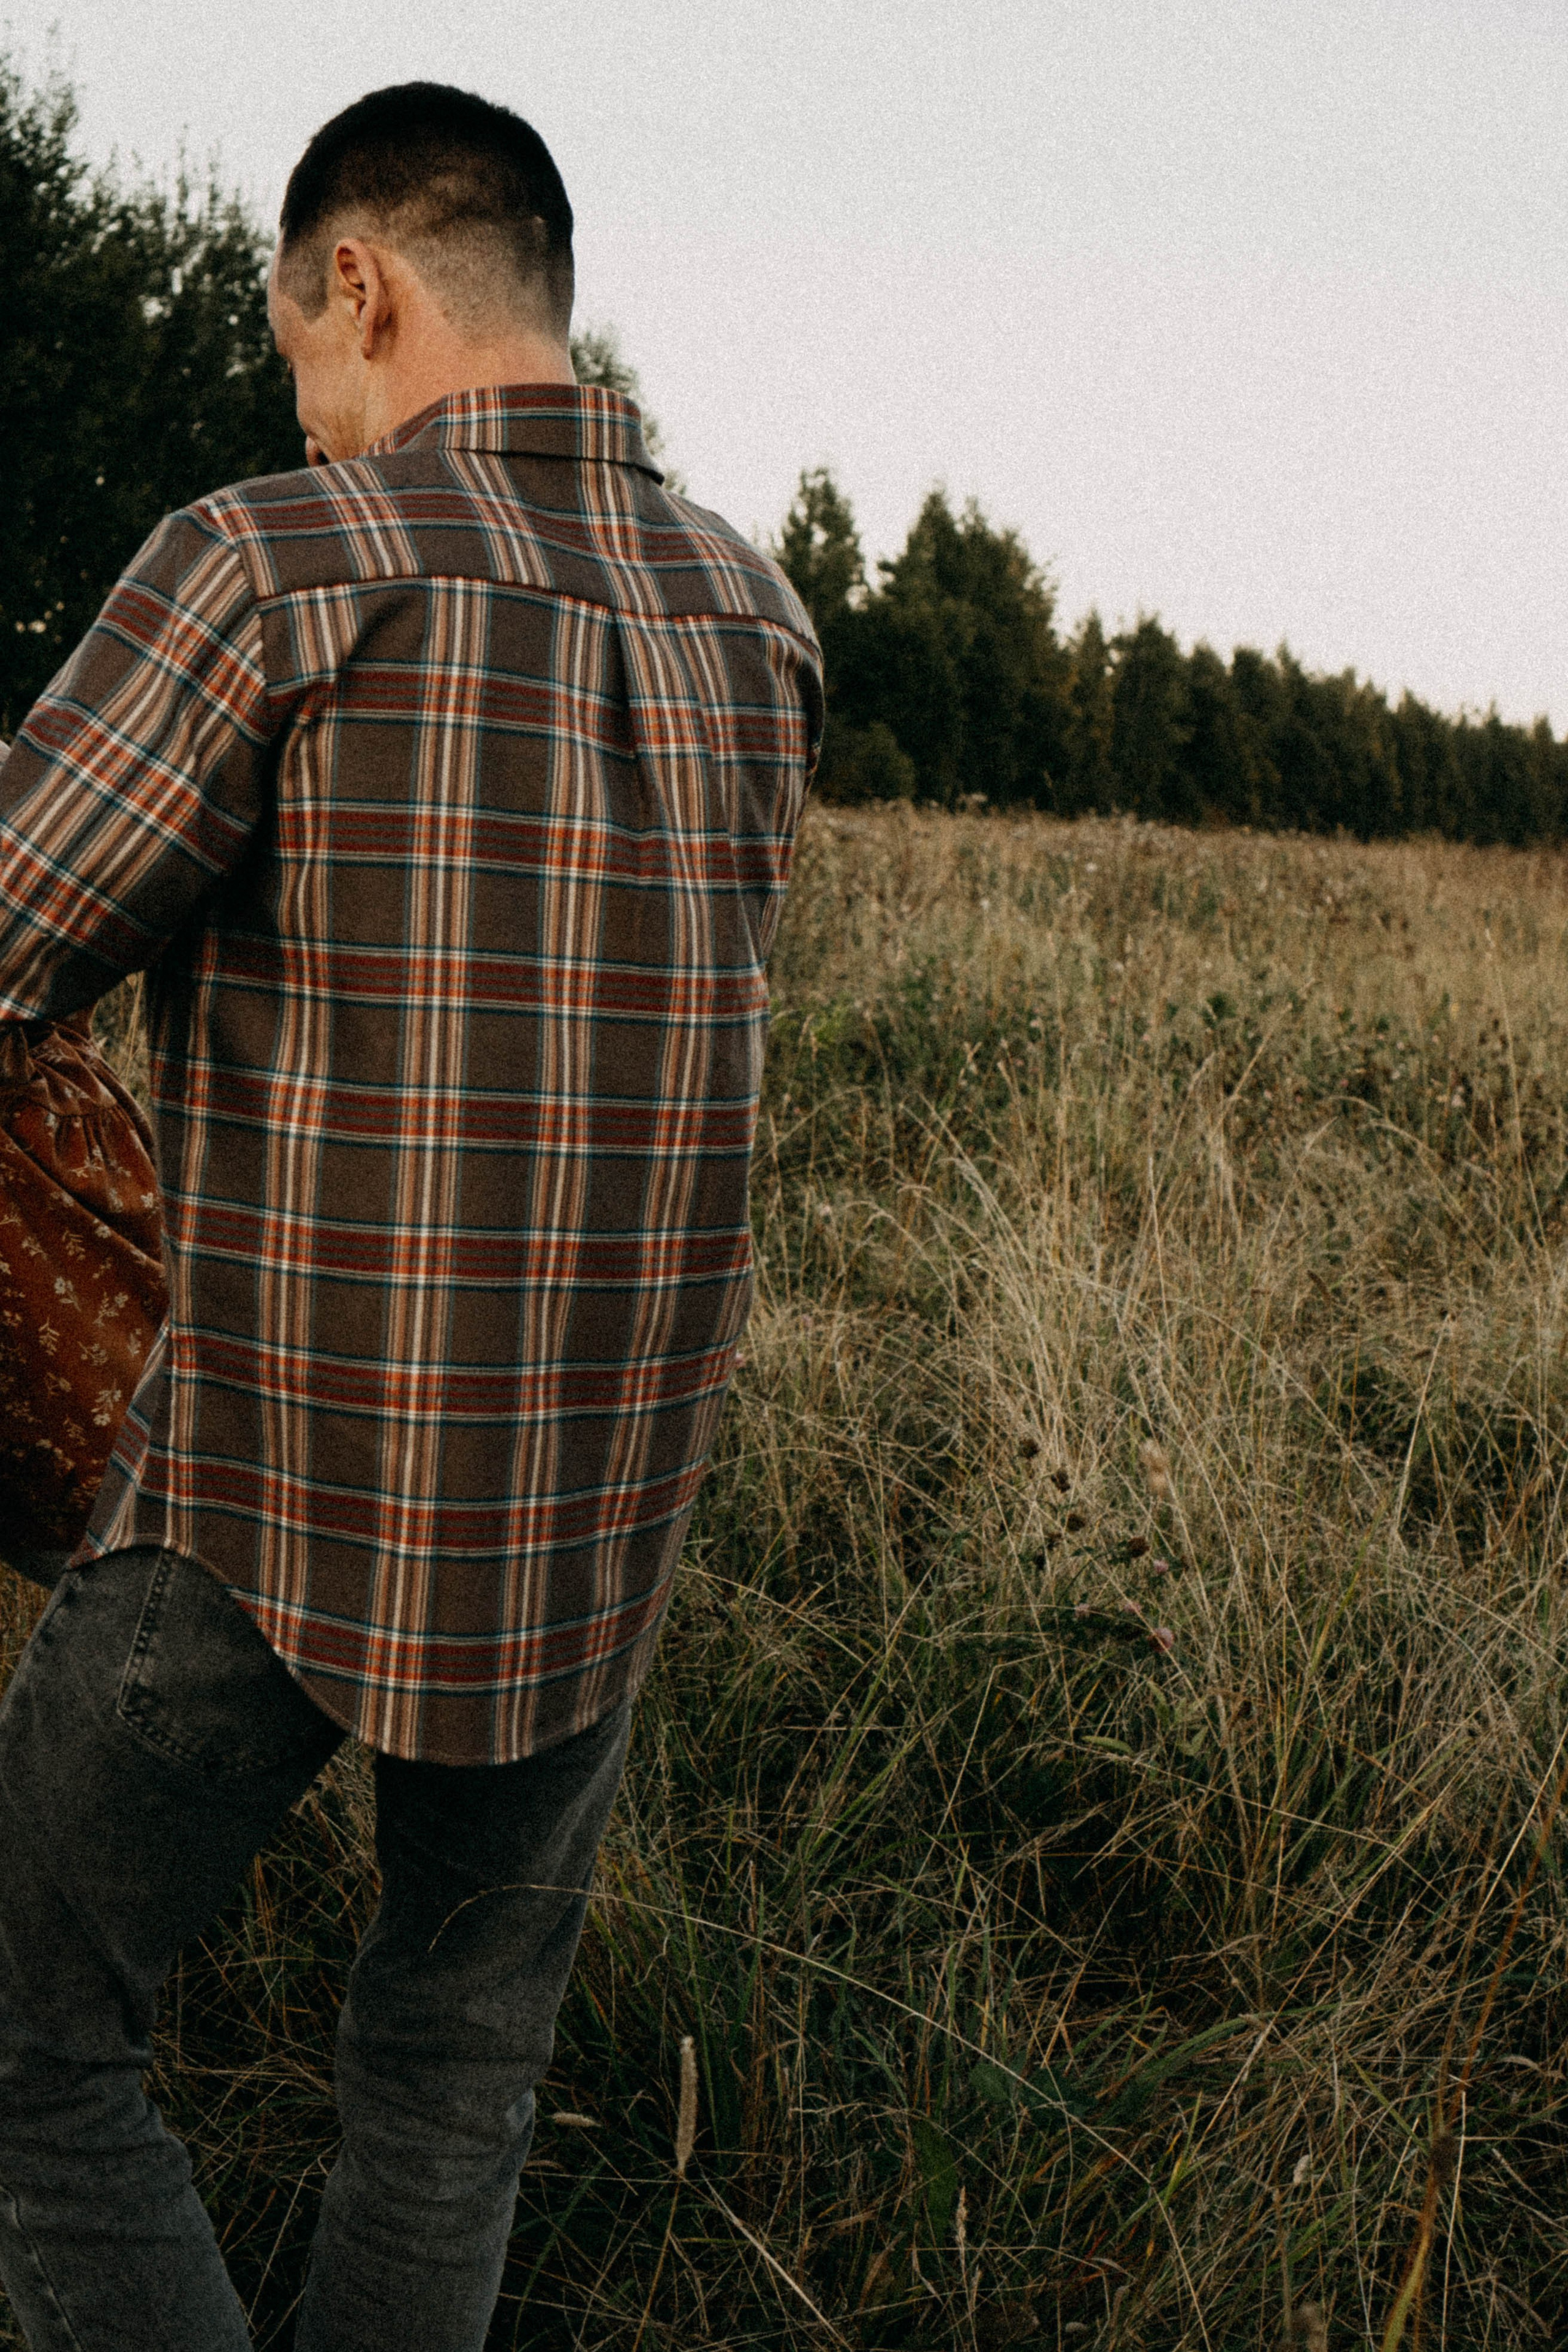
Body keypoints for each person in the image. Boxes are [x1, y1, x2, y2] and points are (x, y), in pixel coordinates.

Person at [0, 80, 821, 2352]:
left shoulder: (277, 562)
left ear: (357, 285)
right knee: (452, 2091)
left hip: (276, 1501)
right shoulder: (757, 620)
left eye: (299, 354)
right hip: (595, 1528)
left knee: (28, 2033)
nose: (305, 411)